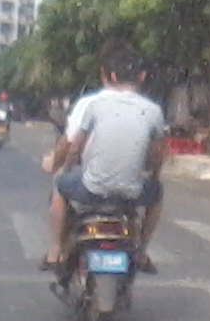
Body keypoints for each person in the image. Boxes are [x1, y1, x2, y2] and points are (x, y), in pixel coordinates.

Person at [42, 44, 166, 278]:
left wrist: (65, 169)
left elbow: (75, 146)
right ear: (142, 77)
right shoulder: (153, 111)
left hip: (92, 189)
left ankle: (55, 250)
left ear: (109, 76)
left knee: (60, 185)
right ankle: (141, 251)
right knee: (157, 192)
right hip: (132, 192)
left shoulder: (93, 105)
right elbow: (158, 153)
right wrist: (154, 176)